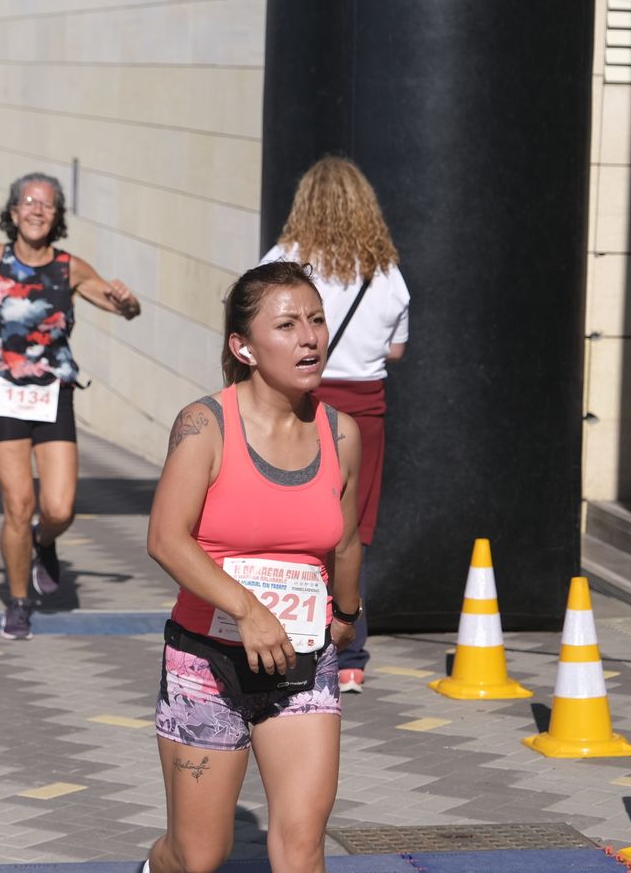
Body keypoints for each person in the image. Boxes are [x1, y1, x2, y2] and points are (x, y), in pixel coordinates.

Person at [143, 261, 362, 873]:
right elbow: (165, 538)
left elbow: (344, 542)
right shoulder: (204, 423)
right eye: (287, 325)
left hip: (302, 660)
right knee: (198, 855)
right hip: (207, 660)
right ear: (243, 346)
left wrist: (345, 614)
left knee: (301, 846)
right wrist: (247, 610)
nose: (310, 337)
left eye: (316, 320)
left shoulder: (342, 434)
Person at [0, 172, 142, 640]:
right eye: (29, 203)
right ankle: (18, 602)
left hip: (53, 391)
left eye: (47, 205)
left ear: (56, 216)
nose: (37, 211)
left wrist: (127, 300)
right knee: (18, 504)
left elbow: (123, 308)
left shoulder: (69, 267)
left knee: (59, 507)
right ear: (14, 212)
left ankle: (46, 542)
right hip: (2, 391)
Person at [261, 156, 409, 694]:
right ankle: (351, 655)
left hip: (302, 403)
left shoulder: (285, 262)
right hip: (365, 409)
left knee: (292, 519)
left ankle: (288, 632)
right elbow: (394, 349)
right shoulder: (386, 273)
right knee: (352, 531)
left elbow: (246, 312)